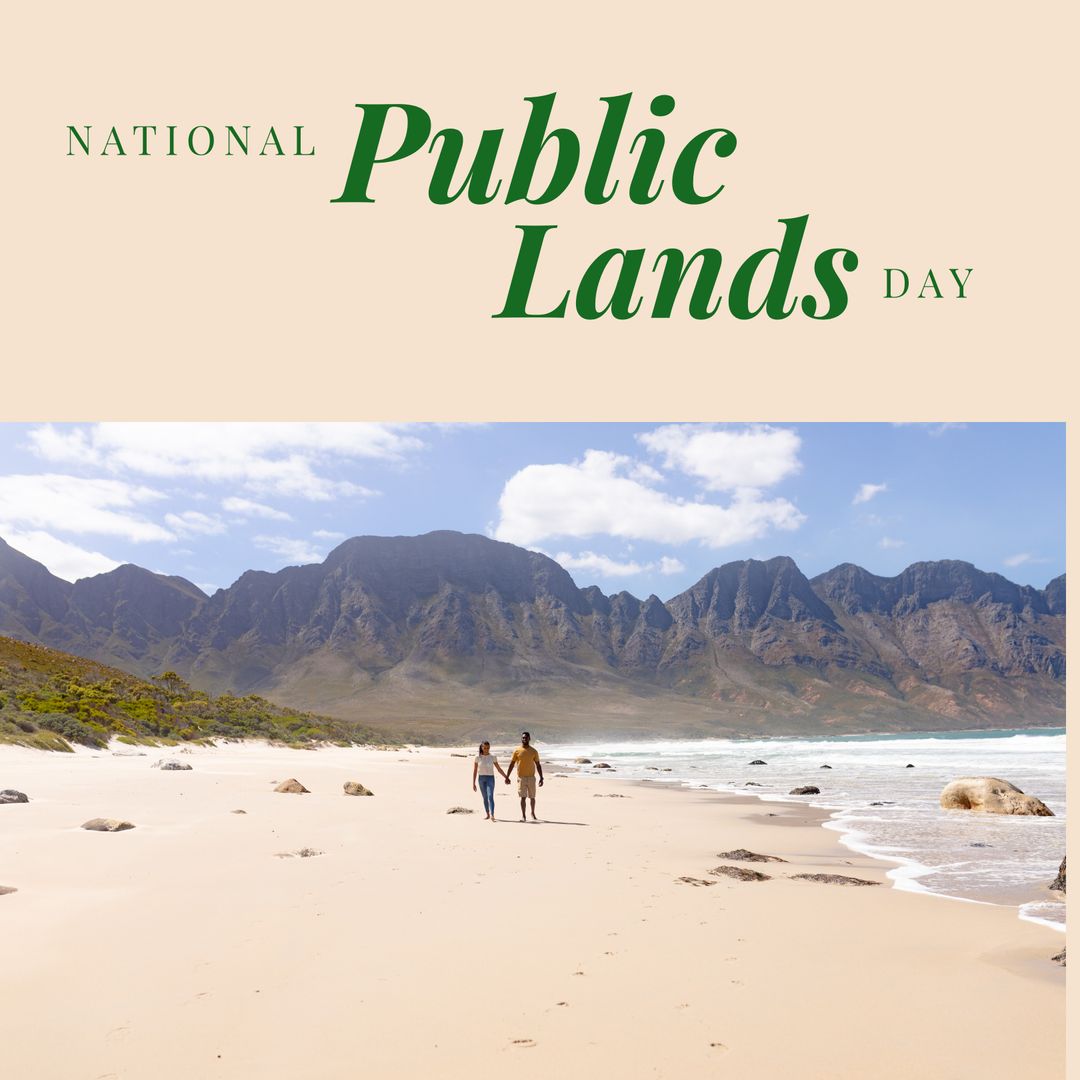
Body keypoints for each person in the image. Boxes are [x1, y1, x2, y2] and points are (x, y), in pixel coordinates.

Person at [505, 730, 544, 821]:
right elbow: (512, 764)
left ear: (529, 739)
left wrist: (541, 777)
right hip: (521, 777)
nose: (524, 739)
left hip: (531, 778)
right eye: (523, 738)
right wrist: (507, 776)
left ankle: (533, 813)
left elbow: (538, 765)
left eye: (526, 737)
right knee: (523, 797)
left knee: (532, 797)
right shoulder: (517, 751)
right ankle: (523, 816)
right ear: (521, 739)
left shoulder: (534, 751)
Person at [472, 741, 508, 821]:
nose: (486, 749)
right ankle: (487, 814)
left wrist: (506, 777)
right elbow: (475, 770)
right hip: (481, 779)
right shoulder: (477, 757)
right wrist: (473, 783)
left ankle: (492, 814)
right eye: (485, 748)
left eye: (488, 748)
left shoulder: (493, 757)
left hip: (490, 778)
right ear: (482, 747)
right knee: (485, 797)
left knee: (490, 796)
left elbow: (498, 769)